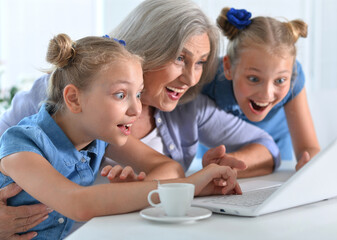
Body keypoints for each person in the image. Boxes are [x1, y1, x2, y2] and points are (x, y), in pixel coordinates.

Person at [0, 0, 281, 237]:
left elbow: (167, 169)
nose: (192, 78)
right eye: (180, 58)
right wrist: (188, 185)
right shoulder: (33, 133)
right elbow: (79, 203)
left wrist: (193, 185)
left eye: (200, 62)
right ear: (72, 98)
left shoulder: (99, 134)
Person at [202, 7, 320, 171]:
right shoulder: (206, 78)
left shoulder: (294, 76)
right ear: (228, 67)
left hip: (274, 157)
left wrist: (310, 163)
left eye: (279, 80)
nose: (266, 94)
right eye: (253, 79)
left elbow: (310, 148)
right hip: (219, 159)